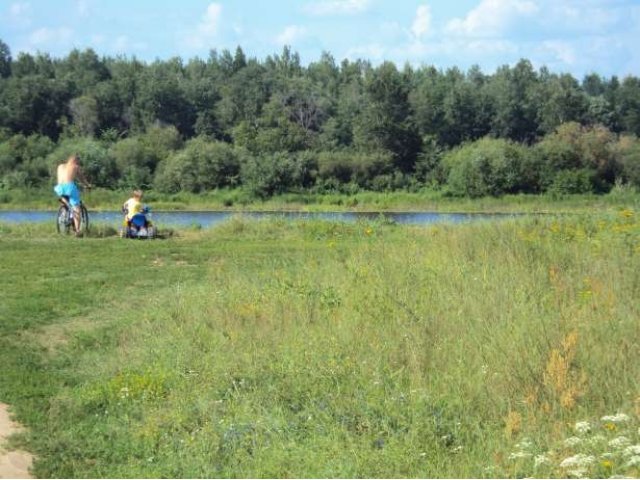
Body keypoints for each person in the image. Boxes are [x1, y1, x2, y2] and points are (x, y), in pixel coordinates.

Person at [54, 154, 89, 233]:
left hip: (59, 188)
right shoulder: (75, 167)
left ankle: (65, 212)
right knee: (77, 207)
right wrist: (87, 185)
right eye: (78, 162)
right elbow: (81, 179)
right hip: (69, 187)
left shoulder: (60, 166)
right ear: (75, 161)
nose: (78, 164)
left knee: (67, 203)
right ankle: (77, 231)